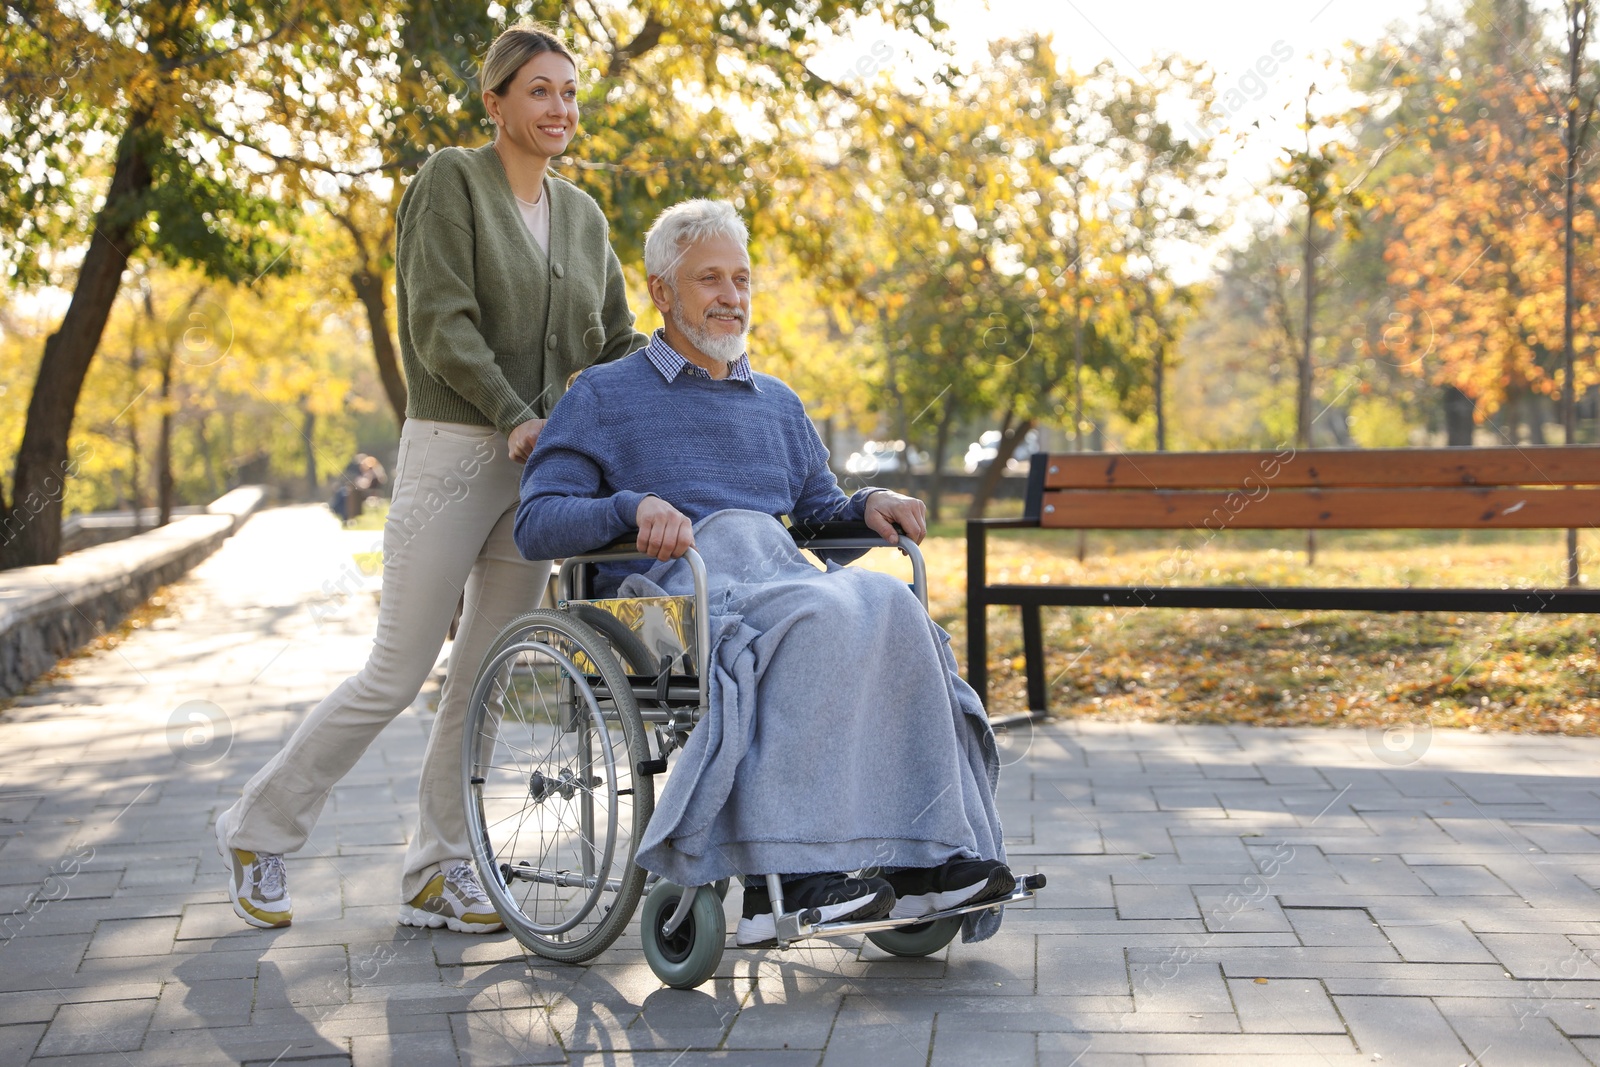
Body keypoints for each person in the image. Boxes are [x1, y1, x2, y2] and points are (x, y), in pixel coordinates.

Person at [215, 23, 648, 933]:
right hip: (456, 449)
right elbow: (439, 323)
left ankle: (437, 866)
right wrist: (514, 413)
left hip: (542, 474)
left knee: (482, 674)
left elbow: (612, 343)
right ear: (494, 103)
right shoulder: (450, 181)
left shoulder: (584, 216)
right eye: (538, 91)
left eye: (569, 92)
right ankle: (258, 828)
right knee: (398, 664)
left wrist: (679, 376)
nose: (559, 108)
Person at [515, 199, 1013, 948]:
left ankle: (920, 856)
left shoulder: (775, 402)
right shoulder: (603, 396)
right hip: (670, 595)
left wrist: (869, 502)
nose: (732, 296)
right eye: (710, 278)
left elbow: (818, 516)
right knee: (813, 617)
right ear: (661, 291)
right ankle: (794, 880)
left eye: (741, 279)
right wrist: (629, 506)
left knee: (889, 600)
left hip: (772, 572)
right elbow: (537, 520)